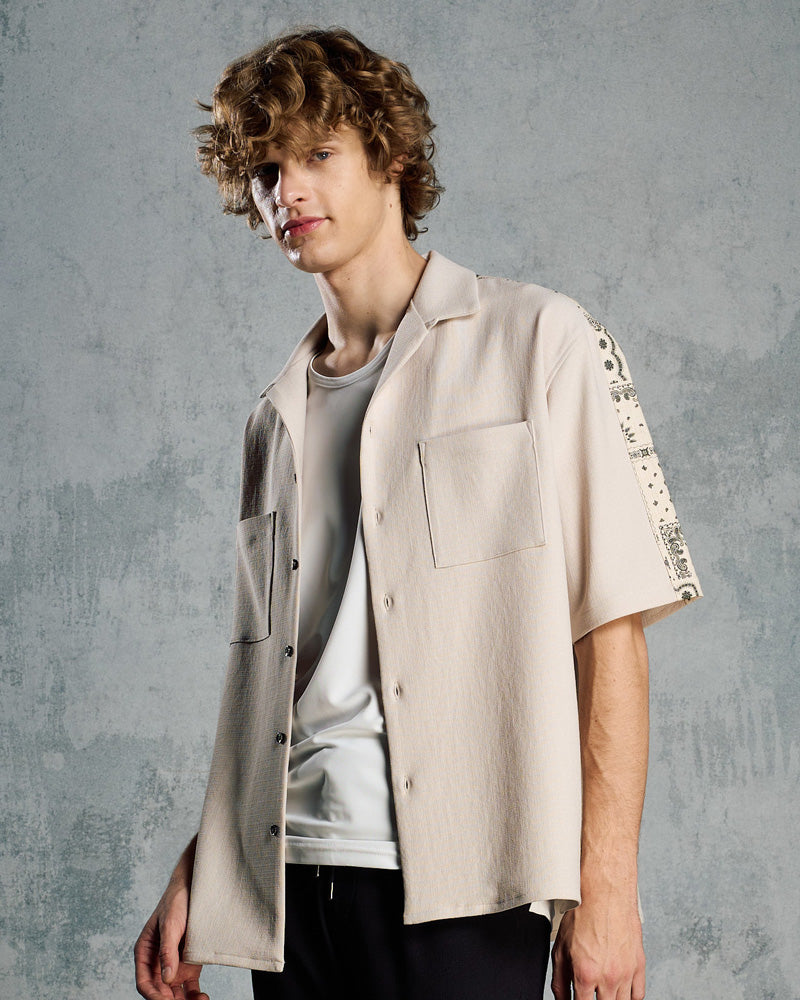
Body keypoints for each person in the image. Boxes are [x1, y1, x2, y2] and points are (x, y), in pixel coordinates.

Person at [134, 25, 702, 1000]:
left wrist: (607, 890)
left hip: (463, 890)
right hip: (287, 892)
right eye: (266, 169)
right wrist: (203, 869)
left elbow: (610, 631)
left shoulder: (541, 341)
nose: (288, 190)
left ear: (389, 155)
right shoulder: (274, 417)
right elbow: (281, 685)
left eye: (317, 153)